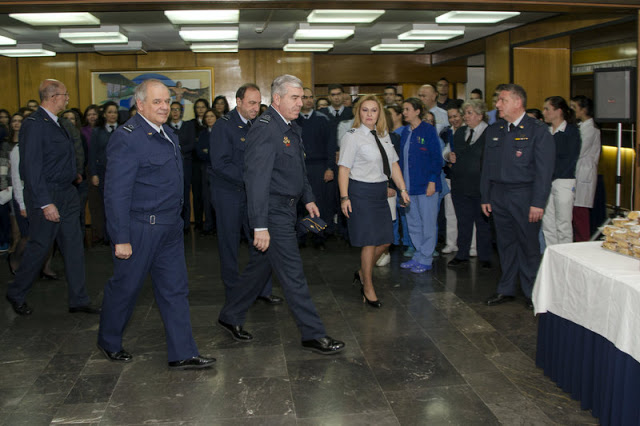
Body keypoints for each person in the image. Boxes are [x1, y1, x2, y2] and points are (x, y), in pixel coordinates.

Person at [218, 74, 345, 355]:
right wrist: (260, 225)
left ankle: (230, 314)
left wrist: (309, 199)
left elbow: (297, 169)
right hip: (272, 213)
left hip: (288, 208)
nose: (302, 103)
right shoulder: (265, 130)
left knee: (259, 268)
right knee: (293, 273)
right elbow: (256, 181)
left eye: (303, 97)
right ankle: (313, 333)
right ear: (277, 99)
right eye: (295, 98)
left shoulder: (290, 127)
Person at [98, 79, 215, 370]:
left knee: (175, 290)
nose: (165, 107)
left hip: (169, 228)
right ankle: (109, 340)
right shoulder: (127, 138)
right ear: (140, 105)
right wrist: (120, 237)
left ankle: (182, 352)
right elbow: (116, 193)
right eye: (157, 102)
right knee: (126, 288)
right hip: (139, 229)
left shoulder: (169, 134)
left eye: (167, 102)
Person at [6, 79, 98, 316]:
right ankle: (16, 292)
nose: (67, 99)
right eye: (65, 95)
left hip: (67, 192)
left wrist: (74, 174)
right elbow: (31, 168)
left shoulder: (58, 124)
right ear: (53, 96)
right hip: (46, 194)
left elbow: (61, 156)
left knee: (74, 246)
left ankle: (79, 299)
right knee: (39, 247)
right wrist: (46, 203)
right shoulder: (34, 125)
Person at [481, 84, 555, 309]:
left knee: (528, 245)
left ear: (517, 102)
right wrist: (486, 196)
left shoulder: (537, 130)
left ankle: (532, 293)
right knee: (505, 245)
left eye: (502, 100)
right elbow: (487, 167)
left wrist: (538, 203)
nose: (497, 105)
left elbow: (544, 171)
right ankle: (506, 289)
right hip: (499, 195)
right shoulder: (495, 130)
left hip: (524, 195)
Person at [209, 83, 282, 309]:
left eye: (258, 103)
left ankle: (263, 289)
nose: (255, 108)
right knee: (229, 244)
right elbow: (221, 164)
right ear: (238, 102)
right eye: (251, 103)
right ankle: (234, 292)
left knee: (259, 242)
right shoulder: (223, 127)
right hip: (228, 195)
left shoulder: (257, 125)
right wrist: (253, 179)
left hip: (252, 195)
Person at [338, 95, 410, 305]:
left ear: (380, 113)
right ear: (359, 112)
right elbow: (344, 169)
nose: (369, 114)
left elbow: (394, 164)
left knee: (387, 239)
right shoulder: (352, 136)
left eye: (374, 110)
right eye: (365, 110)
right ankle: (368, 286)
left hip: (380, 192)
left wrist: (402, 188)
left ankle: (363, 271)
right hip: (360, 192)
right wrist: (344, 197)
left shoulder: (384, 134)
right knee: (369, 241)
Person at [398, 97, 443, 273]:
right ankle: (418, 254)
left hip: (426, 186)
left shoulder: (428, 131)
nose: (404, 113)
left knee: (428, 223)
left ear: (417, 111)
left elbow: (436, 158)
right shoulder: (405, 132)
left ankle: (426, 257)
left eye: (407, 109)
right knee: (413, 223)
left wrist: (432, 180)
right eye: (403, 110)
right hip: (409, 187)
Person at [447, 100, 493, 269]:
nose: (465, 116)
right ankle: (462, 254)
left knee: (483, 223)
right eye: (465, 113)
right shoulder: (459, 133)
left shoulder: (490, 133)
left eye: (469, 113)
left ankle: (485, 256)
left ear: (480, 115)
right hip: (460, 184)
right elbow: (452, 154)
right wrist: (448, 157)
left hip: (480, 186)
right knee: (463, 221)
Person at [295, 87, 334, 250]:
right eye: (305, 97)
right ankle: (301, 237)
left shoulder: (323, 119)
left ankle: (318, 238)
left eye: (311, 97)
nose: (309, 100)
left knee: (318, 203)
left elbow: (331, 146)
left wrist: (330, 167)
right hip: (297, 167)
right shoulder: (292, 119)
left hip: (319, 167)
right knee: (299, 203)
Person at [541, 96, 581, 246]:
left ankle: (565, 256)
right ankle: (551, 254)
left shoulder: (571, 132)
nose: (544, 112)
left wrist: (550, 174)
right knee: (548, 222)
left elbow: (569, 159)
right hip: (546, 181)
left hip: (563, 180)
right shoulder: (545, 131)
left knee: (563, 222)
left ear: (558, 111)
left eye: (547, 109)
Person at [570, 95, 600, 241]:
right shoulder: (581, 126)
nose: (571, 111)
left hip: (584, 174)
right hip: (578, 173)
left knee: (580, 215)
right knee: (575, 215)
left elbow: (579, 151)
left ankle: (583, 242)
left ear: (583, 109)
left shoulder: (591, 129)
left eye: (574, 108)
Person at [89, 101, 119, 245]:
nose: (112, 115)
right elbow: (92, 154)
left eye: (115, 112)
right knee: (106, 206)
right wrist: (94, 174)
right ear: (105, 114)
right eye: (110, 112)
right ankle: (108, 236)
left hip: (122, 174)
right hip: (103, 174)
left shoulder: (124, 130)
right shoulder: (97, 132)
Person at [168, 101, 196, 233]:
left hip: (186, 165)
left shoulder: (188, 126)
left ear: (181, 112)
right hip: (169, 166)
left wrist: (177, 149)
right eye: (172, 109)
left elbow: (191, 145)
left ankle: (185, 225)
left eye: (177, 109)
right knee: (172, 195)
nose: (175, 112)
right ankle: (173, 224)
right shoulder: (165, 127)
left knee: (184, 194)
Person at [440, 105, 464, 254]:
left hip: (467, 178)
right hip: (451, 176)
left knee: (467, 214)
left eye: (456, 116)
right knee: (450, 213)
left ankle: (471, 246)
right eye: (450, 117)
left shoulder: (469, 131)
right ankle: (451, 243)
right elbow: (445, 151)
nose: (453, 119)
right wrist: (447, 156)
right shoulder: (448, 132)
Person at [195, 109, 217, 236]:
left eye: (212, 116)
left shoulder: (222, 133)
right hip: (205, 169)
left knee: (218, 200)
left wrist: (208, 151)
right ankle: (208, 226)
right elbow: (199, 152)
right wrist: (209, 153)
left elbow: (220, 153)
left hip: (219, 171)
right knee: (206, 198)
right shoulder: (202, 134)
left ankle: (219, 226)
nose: (209, 119)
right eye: (207, 117)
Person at [190, 98, 209, 232]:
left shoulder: (214, 124)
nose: (200, 109)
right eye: (198, 107)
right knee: (197, 195)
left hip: (210, 165)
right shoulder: (190, 124)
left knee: (209, 196)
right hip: (195, 164)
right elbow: (193, 145)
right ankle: (198, 223)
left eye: (203, 107)